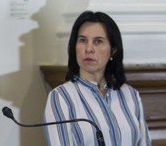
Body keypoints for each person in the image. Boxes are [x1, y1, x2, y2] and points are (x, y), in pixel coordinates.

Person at [43, 11, 151, 146]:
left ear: (113, 50)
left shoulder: (130, 95)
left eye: (98, 41)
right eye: (82, 40)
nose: (89, 48)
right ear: (74, 47)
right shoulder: (61, 98)